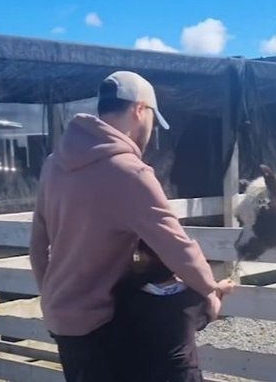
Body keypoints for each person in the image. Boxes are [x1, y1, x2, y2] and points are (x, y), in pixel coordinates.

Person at [29, 71, 234, 382]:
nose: (150, 130)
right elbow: (174, 243)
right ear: (140, 110)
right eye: (152, 118)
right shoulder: (129, 172)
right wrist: (210, 289)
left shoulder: (53, 164)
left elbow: (38, 245)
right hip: (101, 323)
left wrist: (50, 296)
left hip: (62, 319)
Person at [113, 240, 234, 381]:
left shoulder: (129, 295)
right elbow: (211, 312)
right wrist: (220, 290)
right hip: (181, 373)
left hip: (144, 371)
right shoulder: (190, 297)